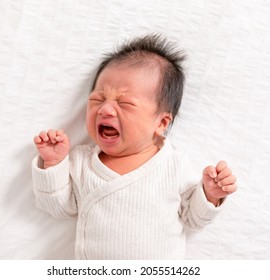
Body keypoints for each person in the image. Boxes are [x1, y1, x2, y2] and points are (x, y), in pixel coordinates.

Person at [31, 34, 237, 259]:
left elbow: (194, 219)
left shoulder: (173, 165)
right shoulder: (82, 161)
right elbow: (59, 208)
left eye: (125, 103)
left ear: (161, 122)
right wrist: (53, 163)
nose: (105, 110)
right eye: (97, 100)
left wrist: (210, 195)